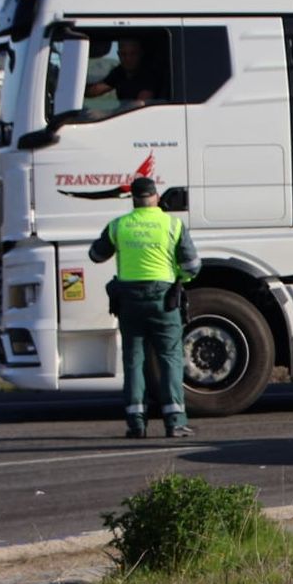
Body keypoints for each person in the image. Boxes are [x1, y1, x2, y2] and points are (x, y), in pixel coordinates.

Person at [88, 176, 200, 438]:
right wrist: (180, 281)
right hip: (163, 299)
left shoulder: (119, 226)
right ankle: (174, 421)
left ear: (134, 200)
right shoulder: (172, 224)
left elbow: (95, 255)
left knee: (133, 360)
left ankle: (136, 423)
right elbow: (193, 265)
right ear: (156, 196)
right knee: (170, 358)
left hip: (129, 301)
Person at [85, 37, 161, 103]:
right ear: (118, 55)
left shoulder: (148, 75)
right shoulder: (120, 72)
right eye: (123, 54)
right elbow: (96, 89)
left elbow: (140, 104)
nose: (128, 59)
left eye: (133, 54)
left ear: (141, 54)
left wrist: (105, 114)